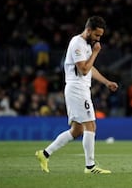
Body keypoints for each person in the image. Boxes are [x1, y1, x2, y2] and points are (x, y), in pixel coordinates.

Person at [35, 16, 119, 174]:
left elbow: (90, 69)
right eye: (97, 35)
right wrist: (95, 53)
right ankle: (90, 166)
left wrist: (106, 82)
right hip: (77, 89)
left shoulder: (87, 44)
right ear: (88, 31)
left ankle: (44, 154)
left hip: (81, 88)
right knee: (91, 125)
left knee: (77, 130)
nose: (99, 39)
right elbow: (84, 69)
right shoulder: (77, 44)